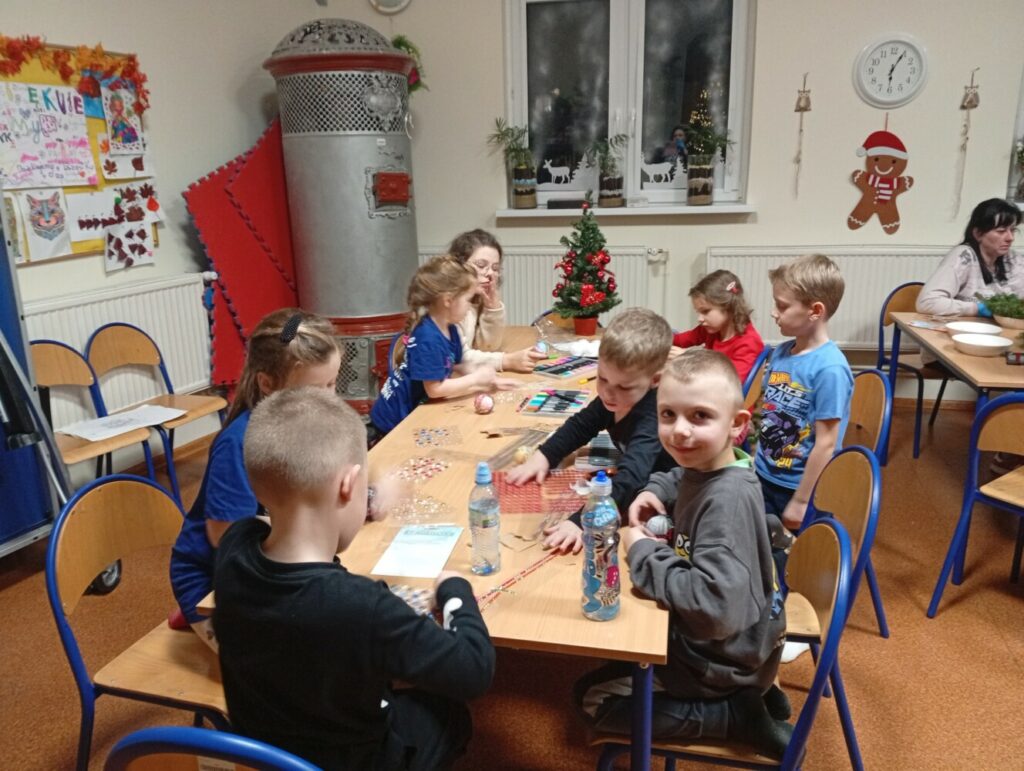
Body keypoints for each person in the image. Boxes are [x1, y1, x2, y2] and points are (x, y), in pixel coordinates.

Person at [213, 388, 495, 770]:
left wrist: (346, 504)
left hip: (265, 751)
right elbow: (475, 670)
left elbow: (278, 522)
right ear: (348, 486)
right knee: (449, 713)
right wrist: (455, 590)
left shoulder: (234, 548)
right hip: (360, 761)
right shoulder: (364, 607)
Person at [576, 349, 790, 757]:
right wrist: (654, 489)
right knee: (616, 659)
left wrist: (642, 552)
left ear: (737, 425)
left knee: (590, 697)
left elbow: (715, 609)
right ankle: (753, 694)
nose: (679, 431)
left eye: (700, 416)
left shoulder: (726, 503)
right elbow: (684, 475)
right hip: (742, 645)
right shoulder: (723, 464)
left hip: (718, 659)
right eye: (668, 415)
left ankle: (730, 714)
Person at [169, 309, 341, 650]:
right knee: (288, 670)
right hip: (214, 580)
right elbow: (223, 534)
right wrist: (303, 529)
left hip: (272, 565)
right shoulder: (239, 444)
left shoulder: (307, 424)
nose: (328, 401)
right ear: (267, 384)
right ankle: (195, 617)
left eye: (332, 384)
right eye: (313, 390)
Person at [505, 308, 677, 554]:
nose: (608, 393)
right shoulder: (615, 398)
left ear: (655, 380)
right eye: (602, 379)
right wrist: (544, 456)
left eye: (624, 387)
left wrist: (581, 521)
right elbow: (581, 425)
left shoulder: (654, 416)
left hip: (668, 495)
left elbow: (631, 480)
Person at [756, 254, 852, 535]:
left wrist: (801, 500)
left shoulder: (830, 370)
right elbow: (768, 410)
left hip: (799, 488)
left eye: (782, 305)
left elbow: (826, 443)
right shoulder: (781, 353)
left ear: (815, 311)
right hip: (764, 475)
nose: (774, 312)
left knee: (798, 556)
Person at [369, 255, 518, 437]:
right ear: (448, 300)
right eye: (468, 299)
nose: (470, 306)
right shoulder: (428, 337)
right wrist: (476, 380)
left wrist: (487, 379)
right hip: (394, 422)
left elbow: (454, 366)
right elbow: (434, 389)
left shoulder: (450, 328)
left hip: (417, 411)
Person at [448, 229, 547, 373]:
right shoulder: (448, 302)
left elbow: (487, 347)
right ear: (459, 265)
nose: (490, 273)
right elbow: (457, 357)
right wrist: (506, 361)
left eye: (495, 268)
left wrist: (492, 308)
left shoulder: (474, 299)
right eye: (481, 265)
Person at [917, 198, 1023, 317]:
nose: (1010, 238)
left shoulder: (1014, 259)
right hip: (966, 326)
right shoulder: (964, 256)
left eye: (1012, 230)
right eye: (1001, 231)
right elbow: (927, 302)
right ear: (978, 234)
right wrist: (976, 309)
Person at [668, 269, 765, 383]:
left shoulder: (748, 343)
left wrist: (690, 360)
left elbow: (729, 383)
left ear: (729, 307)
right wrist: (657, 337)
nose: (700, 319)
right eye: (698, 312)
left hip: (722, 390)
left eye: (705, 311)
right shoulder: (711, 328)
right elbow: (681, 340)